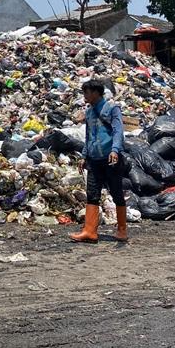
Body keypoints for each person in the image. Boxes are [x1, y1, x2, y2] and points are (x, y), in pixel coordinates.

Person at [71, 79, 128, 244]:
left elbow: (118, 131)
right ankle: (89, 231)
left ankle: (122, 229)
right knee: (92, 194)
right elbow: (89, 136)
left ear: (96, 92)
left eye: (86, 93)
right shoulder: (89, 112)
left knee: (116, 192)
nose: (84, 96)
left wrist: (115, 150)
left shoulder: (112, 108)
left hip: (111, 159)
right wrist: (84, 156)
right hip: (94, 160)